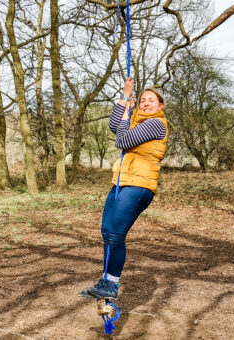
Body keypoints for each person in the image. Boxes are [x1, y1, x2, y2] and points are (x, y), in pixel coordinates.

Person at [82, 77, 168, 300]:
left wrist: (125, 114)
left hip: (139, 184)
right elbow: (114, 127)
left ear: (160, 106)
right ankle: (106, 281)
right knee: (107, 232)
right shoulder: (136, 120)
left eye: (151, 100)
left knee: (116, 233)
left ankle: (112, 285)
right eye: (142, 100)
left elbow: (122, 141)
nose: (146, 103)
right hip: (122, 180)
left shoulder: (156, 124)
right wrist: (124, 98)